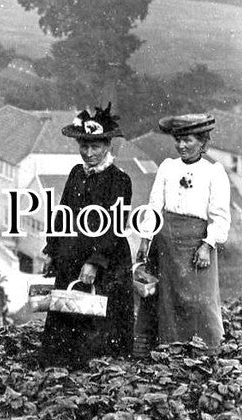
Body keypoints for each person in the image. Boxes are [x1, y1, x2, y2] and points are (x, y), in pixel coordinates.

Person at [40, 105, 134, 366]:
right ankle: (61, 367)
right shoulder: (76, 173)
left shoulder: (119, 180)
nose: (89, 153)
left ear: (108, 146)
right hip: (71, 255)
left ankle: (98, 371)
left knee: (99, 317)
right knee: (67, 310)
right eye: (84, 146)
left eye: (96, 147)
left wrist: (94, 261)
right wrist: (51, 250)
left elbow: (115, 226)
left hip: (105, 259)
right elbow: (63, 212)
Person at [136, 114, 231, 349]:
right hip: (165, 241)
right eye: (178, 140)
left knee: (197, 299)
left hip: (195, 243)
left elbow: (220, 216)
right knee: (165, 297)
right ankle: (167, 346)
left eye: (187, 140)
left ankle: (204, 347)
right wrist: (146, 239)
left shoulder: (213, 172)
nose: (181, 146)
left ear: (202, 142)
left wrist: (207, 245)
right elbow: (154, 205)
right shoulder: (168, 167)